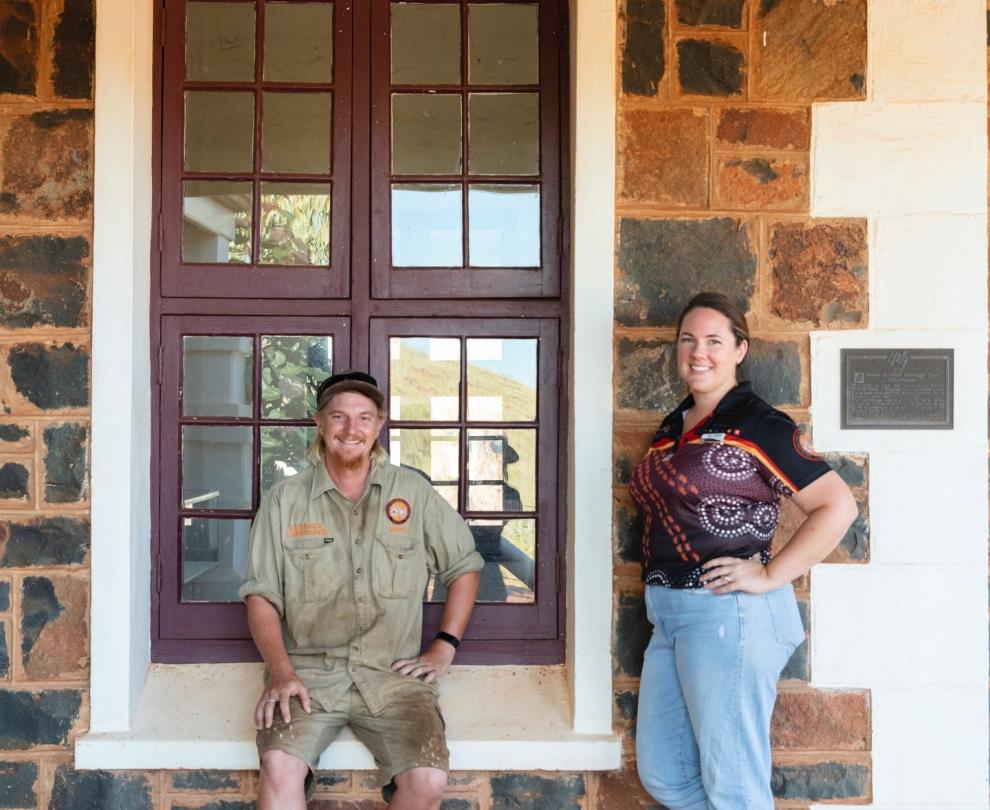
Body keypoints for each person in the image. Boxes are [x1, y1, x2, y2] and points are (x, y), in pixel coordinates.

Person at [630, 292, 857, 810]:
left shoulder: (759, 425)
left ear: (740, 350)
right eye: (688, 339)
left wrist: (769, 574)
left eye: (714, 340)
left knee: (735, 788)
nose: (698, 351)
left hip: (726, 613)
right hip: (669, 617)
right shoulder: (673, 427)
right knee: (666, 775)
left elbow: (837, 506)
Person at [239, 370, 483, 810]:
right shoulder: (284, 501)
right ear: (320, 423)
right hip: (307, 675)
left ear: (379, 426)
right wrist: (280, 670)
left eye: (364, 418)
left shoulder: (413, 494)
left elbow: (464, 566)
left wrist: (445, 645)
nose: (352, 429)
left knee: (427, 779)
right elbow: (262, 595)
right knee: (278, 767)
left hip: (394, 679)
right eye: (339, 417)